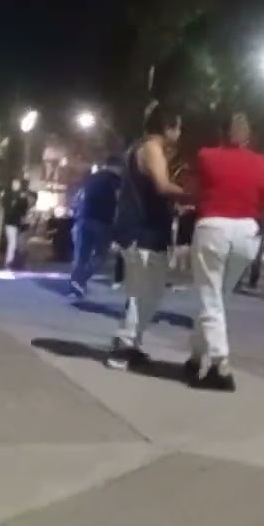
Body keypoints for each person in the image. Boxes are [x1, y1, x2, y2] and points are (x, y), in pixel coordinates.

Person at [188, 112, 264, 391]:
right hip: (247, 231)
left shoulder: (206, 156)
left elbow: (194, 192)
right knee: (218, 298)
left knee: (209, 297)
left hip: (213, 226)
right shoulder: (261, 162)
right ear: (247, 135)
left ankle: (220, 366)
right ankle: (196, 356)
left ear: (221, 133)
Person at [108, 103, 186, 369]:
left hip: (144, 229)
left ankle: (132, 343)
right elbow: (162, 186)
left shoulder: (139, 148)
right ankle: (123, 346)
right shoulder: (152, 148)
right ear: (168, 128)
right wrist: (194, 196)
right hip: (142, 230)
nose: (180, 134)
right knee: (142, 291)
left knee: (149, 291)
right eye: (178, 128)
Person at [68, 156, 123, 297]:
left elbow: (79, 198)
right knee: (100, 255)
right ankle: (80, 279)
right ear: (117, 167)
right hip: (103, 221)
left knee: (82, 255)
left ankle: (76, 286)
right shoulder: (115, 180)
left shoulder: (91, 178)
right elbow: (119, 201)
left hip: (85, 218)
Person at [2, 180, 33, 270]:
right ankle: (9, 261)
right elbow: (8, 208)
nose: (16, 186)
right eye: (14, 184)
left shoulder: (22, 196)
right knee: (12, 243)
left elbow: (24, 209)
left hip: (18, 223)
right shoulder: (8, 196)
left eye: (17, 184)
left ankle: (15, 261)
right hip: (11, 223)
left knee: (18, 244)